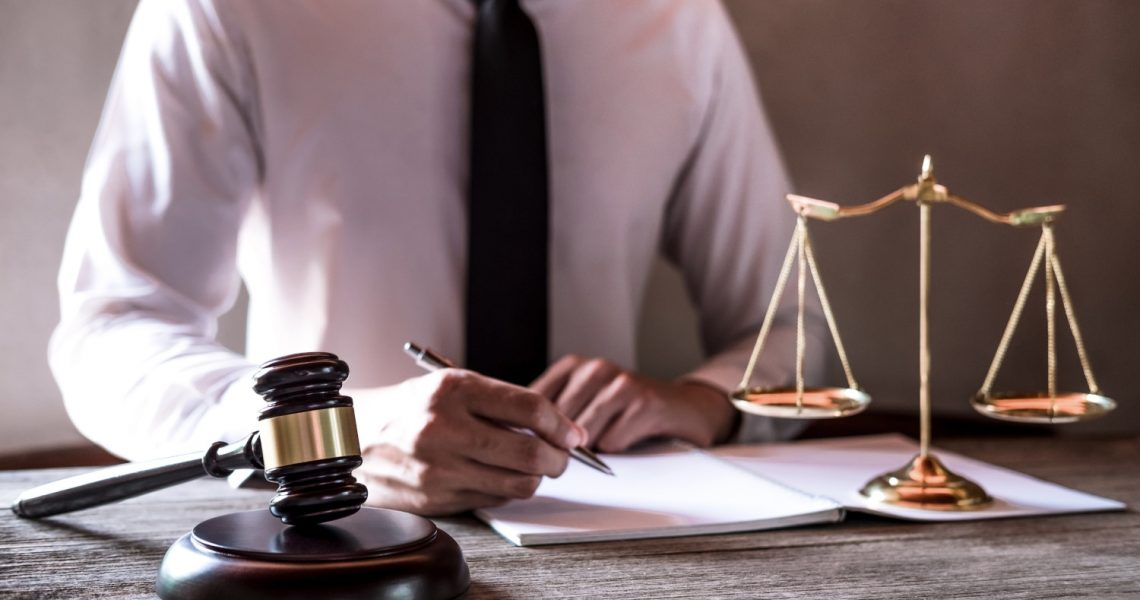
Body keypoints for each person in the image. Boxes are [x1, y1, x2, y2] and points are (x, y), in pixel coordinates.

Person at [50, 0, 822, 516]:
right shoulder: (229, 10)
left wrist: (706, 399)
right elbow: (110, 334)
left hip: (622, 539)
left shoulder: (678, 18)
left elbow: (793, 329)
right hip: (327, 545)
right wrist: (327, 435)